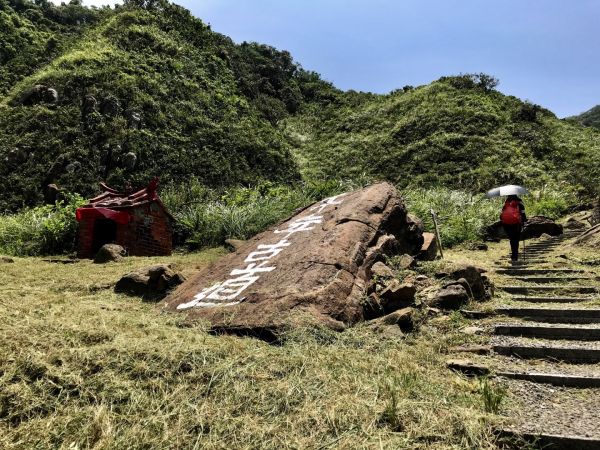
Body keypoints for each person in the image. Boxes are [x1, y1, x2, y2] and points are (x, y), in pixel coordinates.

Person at [500, 195, 527, 262]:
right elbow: (523, 216)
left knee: (512, 240)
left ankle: (513, 256)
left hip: (506, 225)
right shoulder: (520, 205)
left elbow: (501, 217)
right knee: (516, 240)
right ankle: (515, 256)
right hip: (516, 224)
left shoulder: (505, 205)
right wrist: (524, 220)